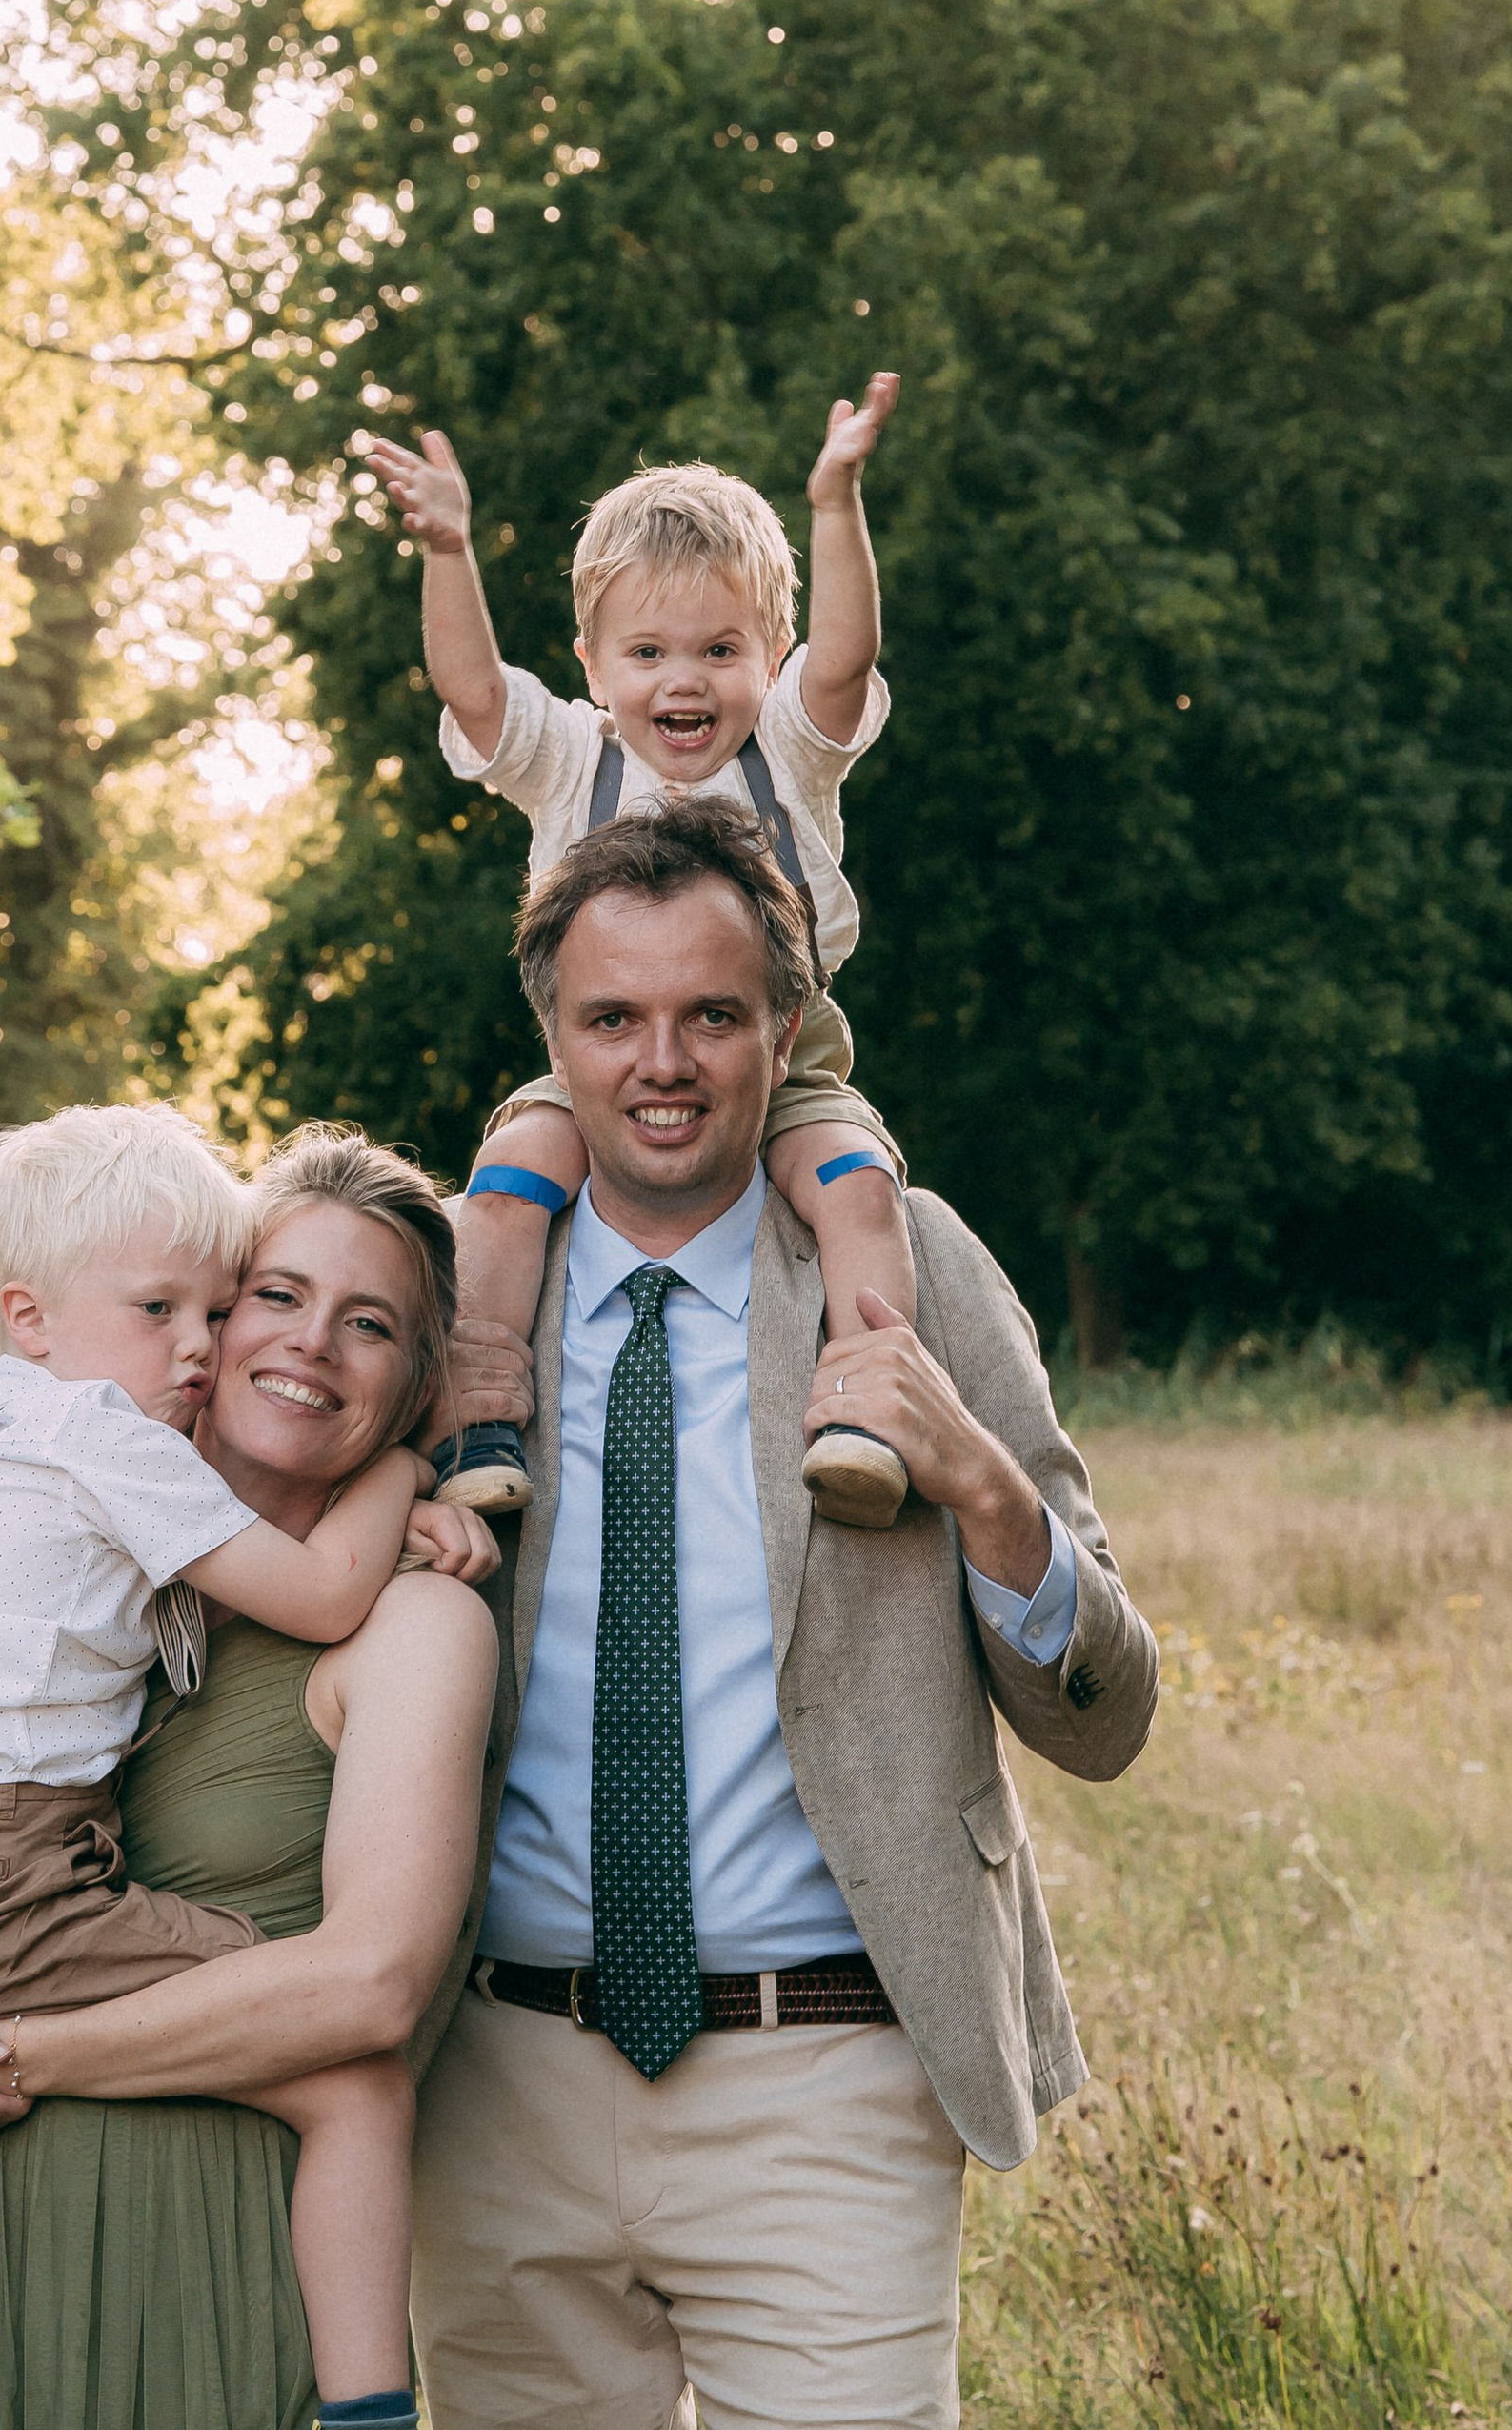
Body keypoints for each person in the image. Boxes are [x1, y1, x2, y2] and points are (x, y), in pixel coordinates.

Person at [409, 799, 1160, 2429]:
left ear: (787, 1028)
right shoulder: (449, 1307)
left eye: (713, 1016)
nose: (661, 1064)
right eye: (613, 1019)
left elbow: (1107, 1713)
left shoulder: (911, 1270)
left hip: (829, 2083)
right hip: (491, 2087)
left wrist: (981, 1488)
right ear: (553, 1038)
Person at [0, 1126, 500, 2430]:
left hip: (182, 2249)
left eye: (370, 1323)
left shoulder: (409, 1620)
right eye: (269, 1294)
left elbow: (370, 1985)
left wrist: (4, 2057)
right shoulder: (77, 1547)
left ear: (417, 1381)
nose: (305, 1342)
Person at [369, 374, 920, 1532]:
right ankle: (477, 1410)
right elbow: (472, 689)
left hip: (788, 1054)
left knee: (857, 1185)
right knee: (506, 1184)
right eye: (648, 651)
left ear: (770, 653)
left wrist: (835, 502)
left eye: (720, 648)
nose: (683, 679)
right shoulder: (572, 759)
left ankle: (871, 1409)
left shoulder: (786, 748)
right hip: (601, 1062)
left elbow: (845, 656)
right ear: (592, 665)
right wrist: (449, 550)